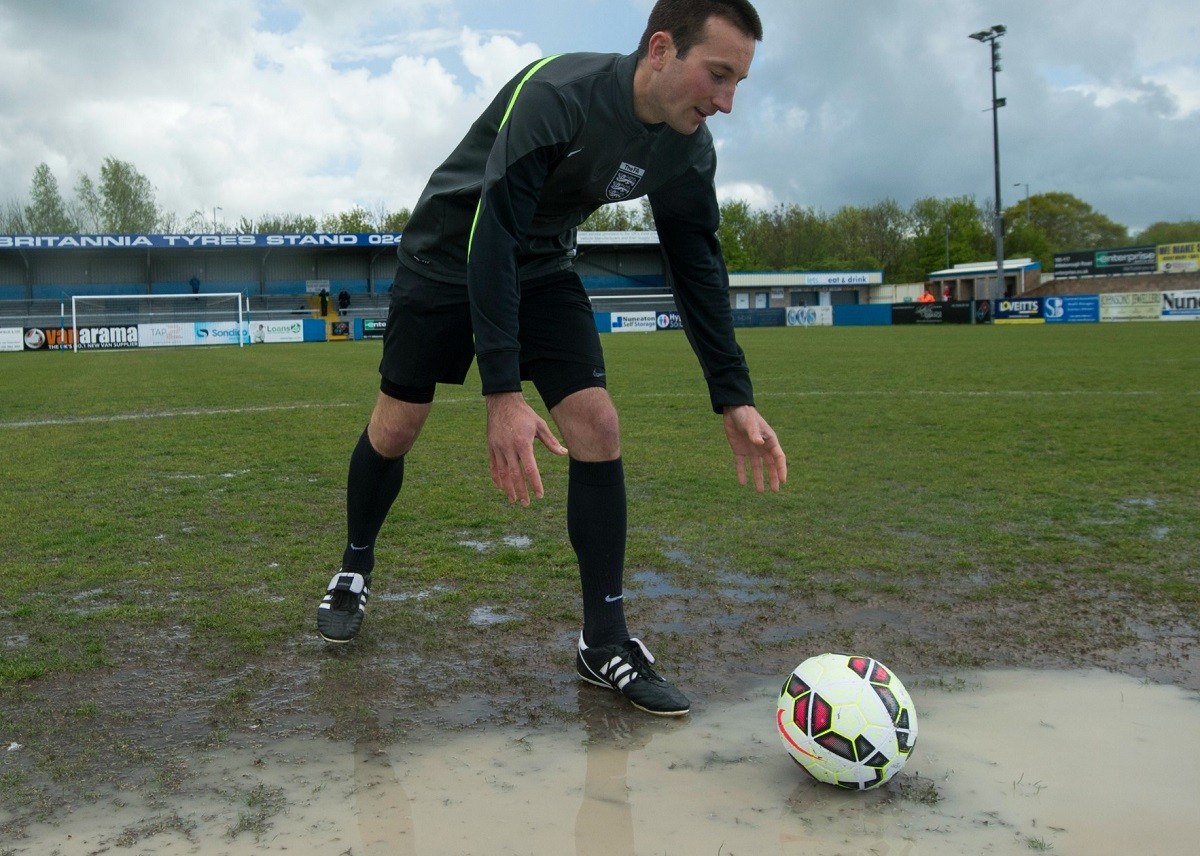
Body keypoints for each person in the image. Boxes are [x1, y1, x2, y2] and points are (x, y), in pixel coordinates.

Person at [316, 0, 787, 717]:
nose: (725, 102)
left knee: (597, 425)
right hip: (449, 258)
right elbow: (493, 233)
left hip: (542, 268)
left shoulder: (687, 146)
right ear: (661, 49)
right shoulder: (558, 97)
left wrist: (734, 394)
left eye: (738, 85)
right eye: (717, 76)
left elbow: (698, 264)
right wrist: (502, 394)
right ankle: (354, 566)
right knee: (397, 428)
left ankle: (604, 641)